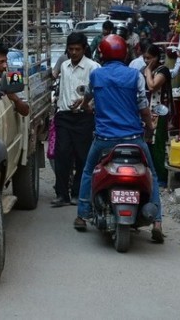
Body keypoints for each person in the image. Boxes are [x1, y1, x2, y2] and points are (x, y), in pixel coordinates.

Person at [73, 34, 163, 243]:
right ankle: (157, 221)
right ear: (124, 53)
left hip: (104, 139)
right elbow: (143, 109)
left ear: (102, 53)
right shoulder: (135, 76)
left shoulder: (97, 75)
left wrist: (88, 107)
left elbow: (87, 98)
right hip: (133, 138)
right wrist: (149, 129)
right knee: (152, 174)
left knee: (87, 171)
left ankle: (82, 214)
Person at [51, 32, 99, 207]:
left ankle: (78, 193)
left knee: (83, 157)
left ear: (84, 49)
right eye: (70, 49)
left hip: (84, 117)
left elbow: (98, 93)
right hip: (64, 115)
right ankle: (61, 194)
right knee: (62, 155)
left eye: (77, 49)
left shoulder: (94, 67)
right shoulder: (64, 66)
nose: (73, 53)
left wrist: (87, 103)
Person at [141, 44, 172, 185]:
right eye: (145, 58)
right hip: (147, 112)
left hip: (160, 113)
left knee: (157, 144)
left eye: (149, 58)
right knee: (147, 143)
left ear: (156, 58)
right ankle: (149, 173)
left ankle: (161, 177)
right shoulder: (144, 70)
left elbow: (153, 86)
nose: (147, 61)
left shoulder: (162, 70)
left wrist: (148, 72)